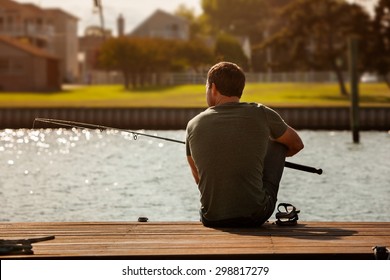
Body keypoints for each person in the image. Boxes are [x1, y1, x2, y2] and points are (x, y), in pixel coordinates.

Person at [186, 62, 304, 227]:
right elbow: (296, 144)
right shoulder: (262, 113)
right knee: (279, 144)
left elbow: (199, 177)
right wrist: (263, 158)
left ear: (213, 88)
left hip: (211, 218)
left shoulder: (193, 124)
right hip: (255, 215)